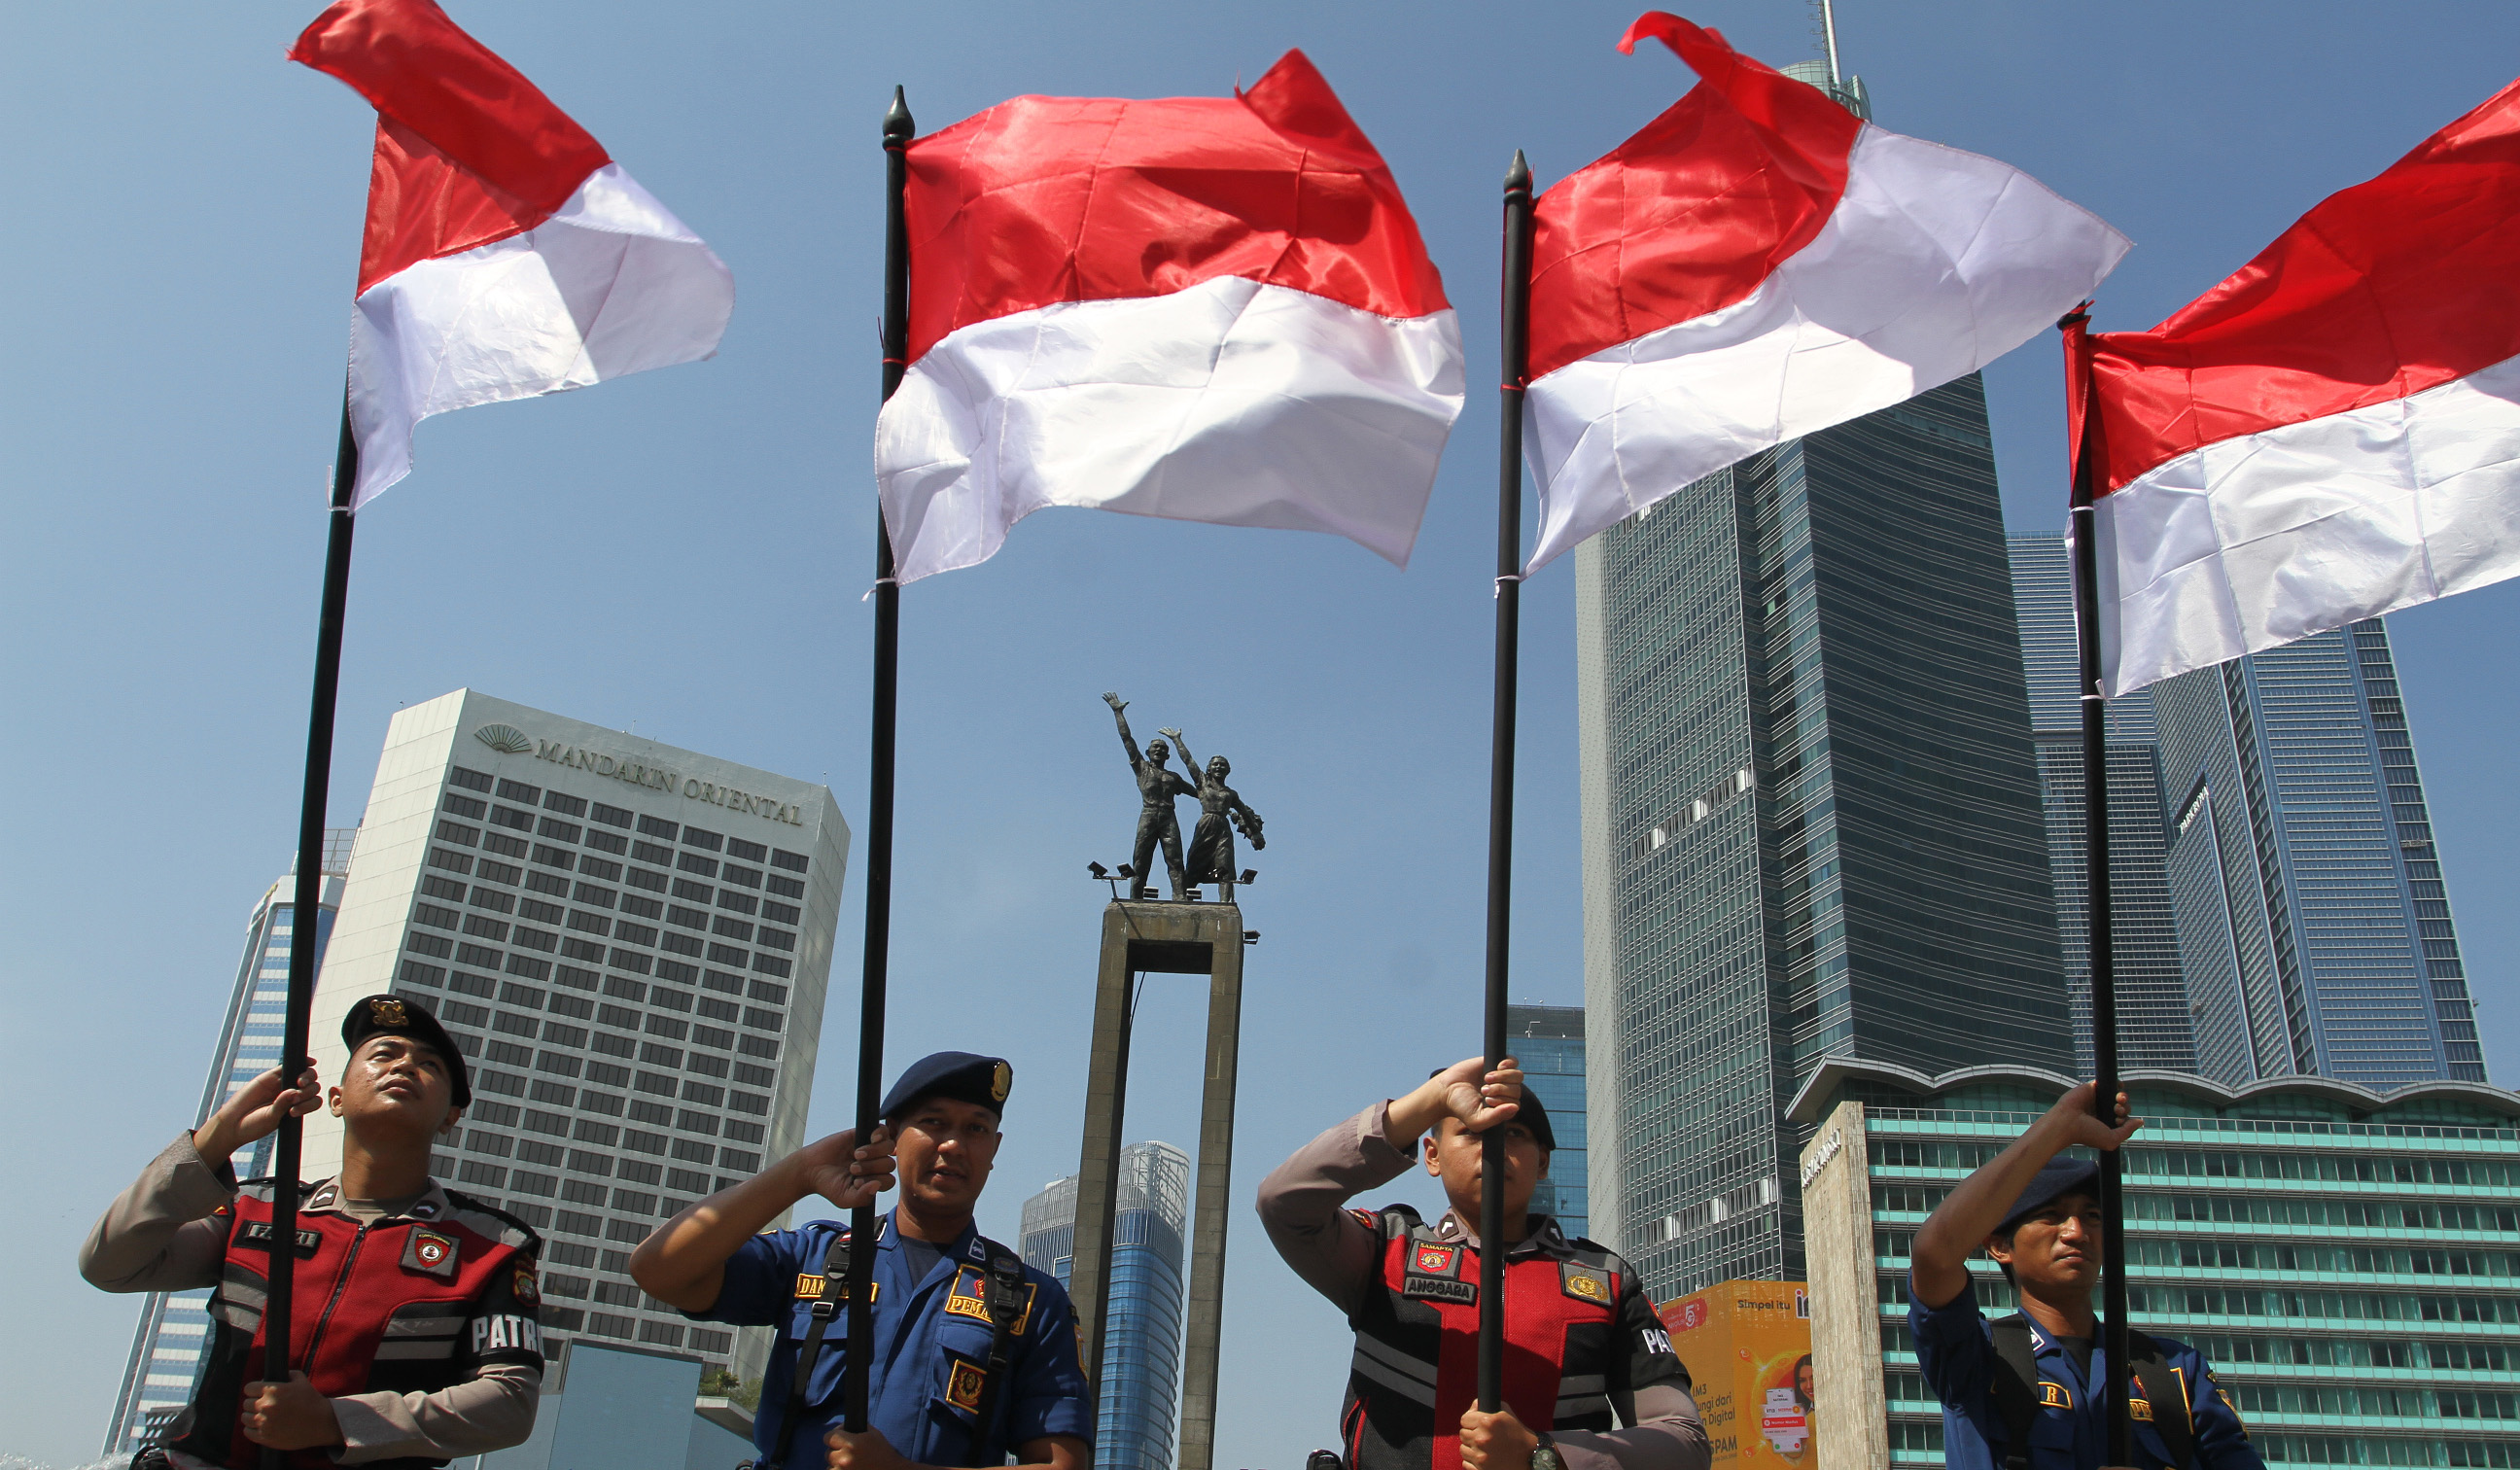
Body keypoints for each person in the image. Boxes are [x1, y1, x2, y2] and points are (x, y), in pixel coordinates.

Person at [82, 995, 544, 1469]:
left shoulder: (493, 1247)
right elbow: (110, 1265)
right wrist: (218, 1137)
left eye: (429, 1065)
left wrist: (335, 1421)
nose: (405, 1066)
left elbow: (509, 1401)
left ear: (450, 1116)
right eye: (384, 1054)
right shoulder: (257, 1209)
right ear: (336, 1099)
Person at [631, 1052, 1093, 1470]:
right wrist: (800, 1173)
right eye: (933, 1122)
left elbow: (1062, 1466)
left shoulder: (1029, 1300)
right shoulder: (816, 1258)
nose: (953, 1144)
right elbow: (658, 1270)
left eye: (976, 1129)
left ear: (994, 1149)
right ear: (891, 1137)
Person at [1258, 1056, 1709, 1470]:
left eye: (1514, 1133)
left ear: (1543, 1162)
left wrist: (1543, 1456)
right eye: (1471, 1132)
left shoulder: (1606, 1279)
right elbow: (1283, 1203)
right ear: (1432, 1156)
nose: (1493, 1146)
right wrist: (1430, 1101)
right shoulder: (1387, 1250)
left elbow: (1684, 1442)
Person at [1908, 1081, 2263, 1470]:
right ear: (1998, 1246)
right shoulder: (1978, 1357)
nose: (2076, 1232)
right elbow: (1934, 1256)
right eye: (2051, 1216)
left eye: (2092, 1216)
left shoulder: (2175, 1368)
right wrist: (2059, 1126)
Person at [1103, 692, 1194, 900]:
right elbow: (1127, 739)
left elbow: (1201, 794)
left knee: (1175, 860)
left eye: (1163, 748)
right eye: (1156, 747)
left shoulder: (1173, 777)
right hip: (1149, 814)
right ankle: (1135, 898)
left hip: (1168, 817)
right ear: (1148, 752)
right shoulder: (1142, 768)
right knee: (1141, 860)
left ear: (1168, 755)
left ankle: (1180, 898)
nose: (1159, 750)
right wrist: (1118, 713)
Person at [1158, 726, 1265, 892]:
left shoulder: (1231, 794)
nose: (1219, 767)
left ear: (1228, 770)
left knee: (1225, 866)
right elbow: (1188, 760)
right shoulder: (1202, 783)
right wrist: (1176, 739)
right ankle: (1184, 897)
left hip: (1223, 829)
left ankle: (1226, 902)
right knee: (1194, 864)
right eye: (1215, 764)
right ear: (1209, 769)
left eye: (1223, 765)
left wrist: (1256, 833)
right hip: (1205, 826)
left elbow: (1244, 813)